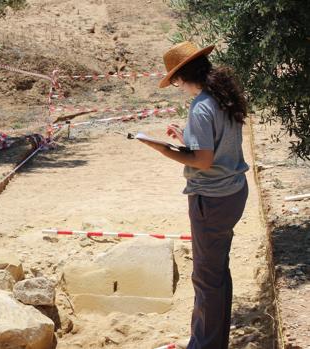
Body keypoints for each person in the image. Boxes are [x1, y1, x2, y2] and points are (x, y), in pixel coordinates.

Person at [139, 41, 250, 348]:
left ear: (181, 76)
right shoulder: (222, 97)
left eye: (174, 80)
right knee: (217, 271)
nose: (176, 86)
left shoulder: (201, 106)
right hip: (233, 192)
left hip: (211, 199)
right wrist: (184, 137)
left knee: (206, 278)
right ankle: (214, 340)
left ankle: (205, 344)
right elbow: (216, 145)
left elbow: (202, 161)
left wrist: (161, 148)